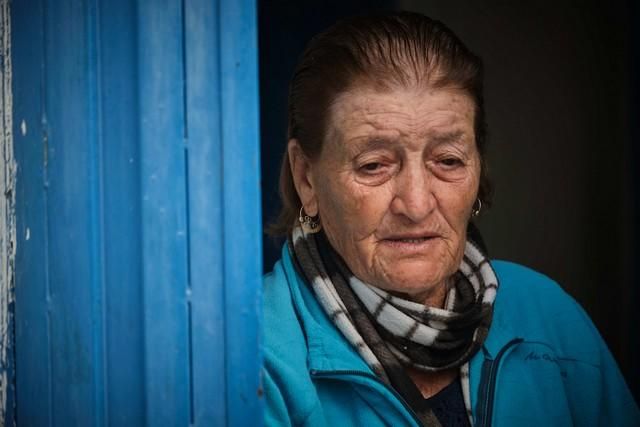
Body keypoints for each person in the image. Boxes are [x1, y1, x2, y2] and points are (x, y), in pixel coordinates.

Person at [262, 11, 639, 427]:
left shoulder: (548, 317)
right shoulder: (255, 354)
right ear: (306, 179)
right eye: (373, 165)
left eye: (447, 160)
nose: (417, 204)